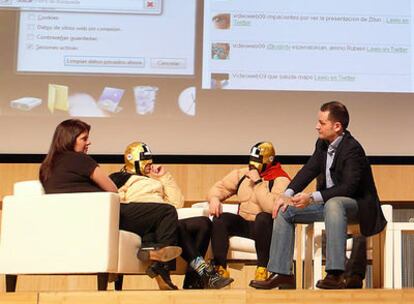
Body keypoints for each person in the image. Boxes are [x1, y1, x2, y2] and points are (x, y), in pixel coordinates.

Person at [250, 101, 387, 290]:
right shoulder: (322, 144)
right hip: (329, 204)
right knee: (284, 210)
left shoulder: (352, 149)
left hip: (357, 206)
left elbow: (348, 187)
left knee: (335, 204)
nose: (317, 126)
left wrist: (312, 197)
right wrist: (286, 195)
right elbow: (309, 169)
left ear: (337, 126)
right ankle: (282, 274)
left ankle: (335, 274)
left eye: (322, 123)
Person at [39, 119, 182, 290]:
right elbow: (112, 188)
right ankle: (159, 260)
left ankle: (152, 253)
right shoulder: (80, 160)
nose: (88, 142)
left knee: (155, 224)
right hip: (105, 216)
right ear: (70, 139)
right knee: (167, 211)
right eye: (84, 139)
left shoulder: (46, 167)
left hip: (77, 223)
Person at [109, 141, 233, 289]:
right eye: (145, 162)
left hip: (164, 221)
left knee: (203, 223)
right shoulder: (119, 178)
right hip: (142, 222)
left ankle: (192, 280)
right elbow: (115, 202)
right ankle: (204, 274)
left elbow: (176, 204)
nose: (150, 165)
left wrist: (164, 177)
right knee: (177, 224)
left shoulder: (155, 180)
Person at [208, 142, 291, 284]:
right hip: (245, 223)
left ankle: (262, 269)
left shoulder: (280, 178)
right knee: (220, 219)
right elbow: (219, 187)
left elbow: (272, 207)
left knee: (262, 217)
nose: (253, 164)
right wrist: (214, 199)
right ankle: (220, 268)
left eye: (258, 161)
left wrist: (258, 182)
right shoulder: (241, 174)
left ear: (269, 160)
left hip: (266, 226)